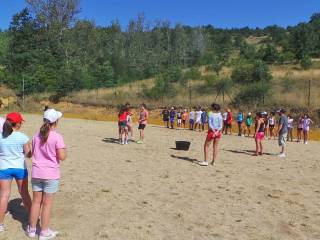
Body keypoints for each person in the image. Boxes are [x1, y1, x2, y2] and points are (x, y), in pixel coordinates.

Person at [26, 109, 66, 239]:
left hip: (37, 173)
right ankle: (44, 232)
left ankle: (32, 229)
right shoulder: (57, 136)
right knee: (47, 204)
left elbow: (32, 153)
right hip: (50, 174)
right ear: (56, 121)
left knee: (36, 202)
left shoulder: (36, 135)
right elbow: (62, 156)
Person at [0, 112, 32, 232]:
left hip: (3, 168)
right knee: (24, 194)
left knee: (4, 195)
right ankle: (31, 219)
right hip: (19, 168)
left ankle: (0, 225)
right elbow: (28, 155)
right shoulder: (22, 137)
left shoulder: (0, 137)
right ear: (17, 123)